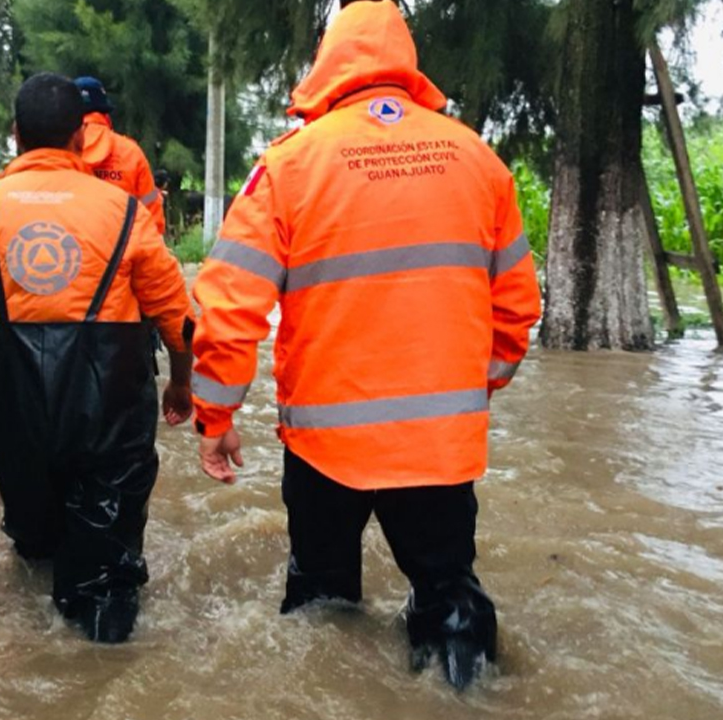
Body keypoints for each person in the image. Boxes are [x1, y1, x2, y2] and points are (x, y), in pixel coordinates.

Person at [189, 0, 542, 691]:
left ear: (329, 62)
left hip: (327, 443)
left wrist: (217, 418)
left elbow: (230, 307)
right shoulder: (477, 159)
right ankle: (467, 692)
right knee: (449, 595)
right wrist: (475, 390)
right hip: (439, 444)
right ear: (405, 60)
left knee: (320, 603)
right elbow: (517, 310)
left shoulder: (290, 165)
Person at [0, 74, 194, 643]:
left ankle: (35, 650)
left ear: (16, 133)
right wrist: (180, 383)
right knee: (104, 559)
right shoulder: (125, 212)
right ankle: (99, 639)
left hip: (11, 408)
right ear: (80, 136)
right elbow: (174, 312)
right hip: (109, 405)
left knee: (35, 542)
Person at [74, 76, 166, 234]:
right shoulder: (130, 151)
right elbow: (151, 213)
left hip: (71, 252)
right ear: (105, 114)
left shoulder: (62, 149)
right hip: (123, 254)